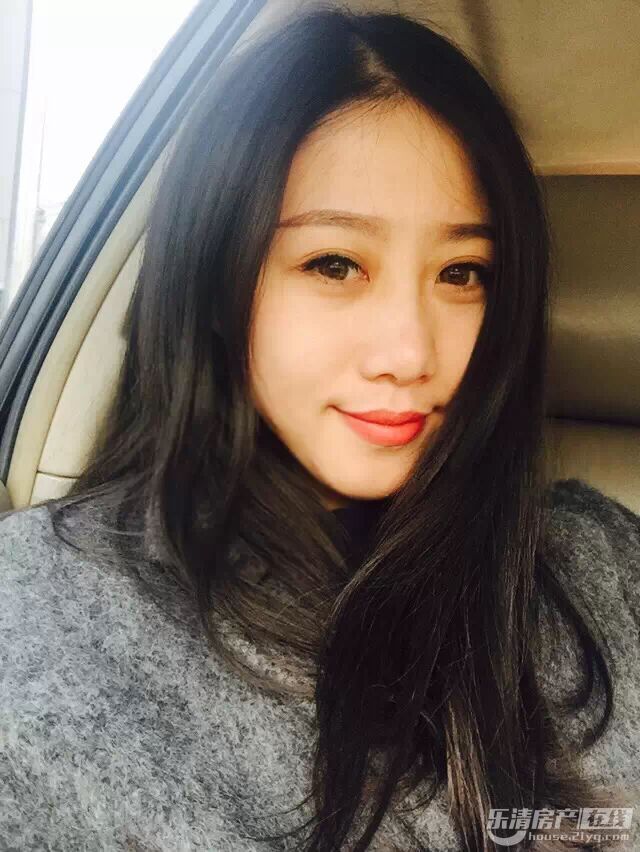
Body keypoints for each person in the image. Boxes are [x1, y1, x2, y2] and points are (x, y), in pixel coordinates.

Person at [0, 5, 638, 851]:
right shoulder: (39, 624)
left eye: (462, 272)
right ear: (214, 280)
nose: (409, 353)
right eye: (334, 264)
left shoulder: (598, 557)